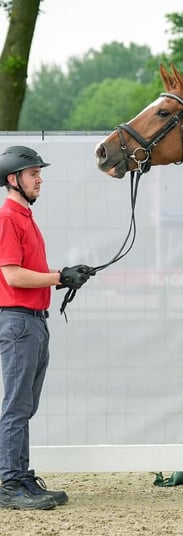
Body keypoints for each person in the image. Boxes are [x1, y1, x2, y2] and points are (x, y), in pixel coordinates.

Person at [0, 145, 94, 510]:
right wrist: (58, 276)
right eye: (33, 174)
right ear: (14, 179)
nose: (40, 179)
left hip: (33, 322)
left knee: (25, 405)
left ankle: (20, 477)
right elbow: (11, 274)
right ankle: (10, 483)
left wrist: (63, 278)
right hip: (19, 322)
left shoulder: (24, 217)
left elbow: (27, 273)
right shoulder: (9, 217)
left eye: (39, 173)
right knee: (17, 405)